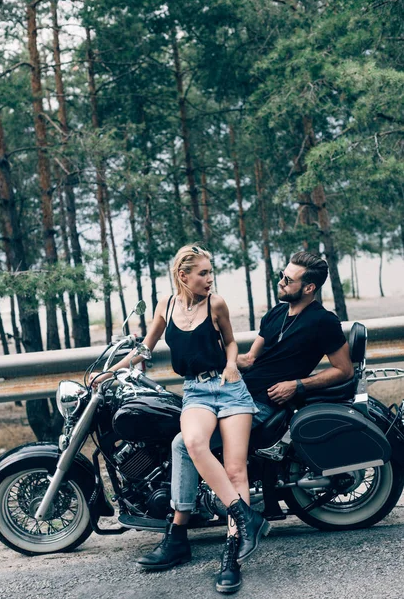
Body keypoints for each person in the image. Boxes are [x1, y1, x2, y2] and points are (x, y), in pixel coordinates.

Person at [141, 251, 354, 591]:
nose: (280, 282)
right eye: (282, 276)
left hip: (267, 402)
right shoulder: (275, 314)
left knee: (186, 445)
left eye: (288, 279)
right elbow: (251, 358)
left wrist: (298, 385)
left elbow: (345, 370)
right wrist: (224, 361)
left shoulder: (323, 322)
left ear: (309, 288)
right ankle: (192, 526)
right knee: (182, 436)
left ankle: (185, 536)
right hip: (235, 389)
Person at [90, 245, 270, 594]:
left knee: (236, 471)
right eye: (203, 273)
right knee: (191, 442)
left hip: (230, 389)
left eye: (210, 272)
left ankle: (232, 554)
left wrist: (232, 363)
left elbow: (231, 342)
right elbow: (145, 349)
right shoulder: (166, 306)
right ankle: (245, 517)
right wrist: (108, 373)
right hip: (197, 392)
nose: (209, 279)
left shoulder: (216, 304)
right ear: (182, 275)